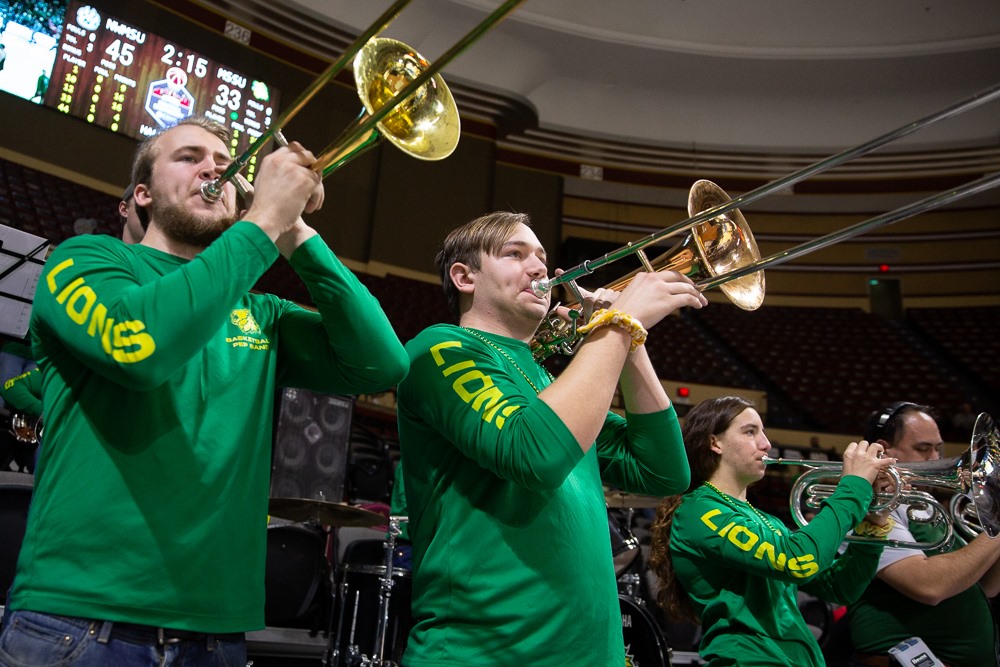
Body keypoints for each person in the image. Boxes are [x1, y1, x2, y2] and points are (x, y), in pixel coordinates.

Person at [0, 115, 409, 666]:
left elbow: (382, 363)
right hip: (82, 620)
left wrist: (295, 233)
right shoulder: (87, 262)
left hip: (215, 634)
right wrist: (264, 221)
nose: (215, 168)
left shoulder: (261, 312)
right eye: (189, 157)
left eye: (223, 161)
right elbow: (139, 346)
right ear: (142, 194)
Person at [395, 211, 703, 665]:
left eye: (541, 256)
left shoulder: (547, 380)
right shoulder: (440, 348)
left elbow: (664, 471)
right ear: (464, 276)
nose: (539, 268)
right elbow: (534, 454)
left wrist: (628, 343)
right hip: (486, 655)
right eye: (514, 254)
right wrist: (618, 325)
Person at [648, 396, 896, 667]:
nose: (766, 443)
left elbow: (841, 587)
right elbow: (798, 560)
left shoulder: (766, 520)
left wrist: (873, 522)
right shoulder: (700, 511)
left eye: (763, 432)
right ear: (714, 442)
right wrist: (854, 486)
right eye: (750, 432)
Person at [847, 401, 1000, 667]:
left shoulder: (923, 505)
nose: (936, 460)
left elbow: (985, 586)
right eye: (923, 449)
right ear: (883, 449)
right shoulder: (869, 507)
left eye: (938, 448)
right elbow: (930, 586)